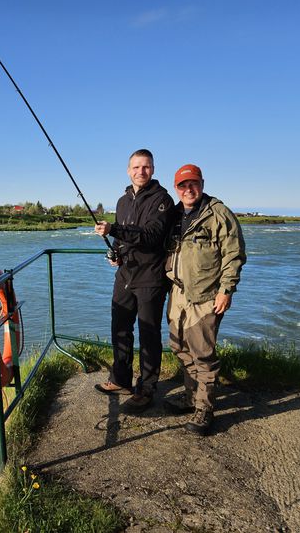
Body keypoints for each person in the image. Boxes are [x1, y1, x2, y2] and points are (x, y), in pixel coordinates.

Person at [164, 163, 246, 435]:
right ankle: (191, 396)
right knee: (178, 346)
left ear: (202, 183)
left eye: (193, 183)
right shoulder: (174, 215)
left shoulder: (218, 213)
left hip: (206, 295)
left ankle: (205, 408)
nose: (189, 189)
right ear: (176, 189)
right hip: (177, 293)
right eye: (183, 185)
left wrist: (226, 290)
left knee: (203, 354)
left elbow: (233, 255)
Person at [94, 149, 174, 411]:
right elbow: (122, 238)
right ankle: (121, 379)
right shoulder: (122, 200)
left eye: (146, 167)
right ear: (128, 170)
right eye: (136, 167)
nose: (141, 172)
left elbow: (151, 236)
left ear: (153, 169)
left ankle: (147, 388)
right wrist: (115, 252)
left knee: (148, 333)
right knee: (120, 326)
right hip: (125, 274)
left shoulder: (163, 200)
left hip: (150, 276)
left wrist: (114, 229)